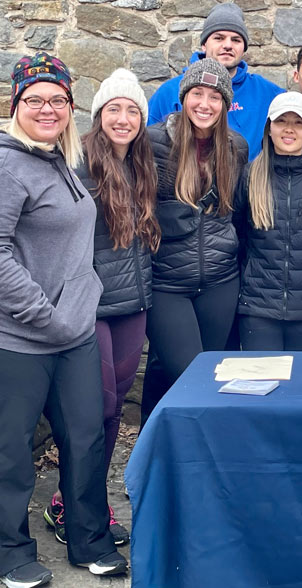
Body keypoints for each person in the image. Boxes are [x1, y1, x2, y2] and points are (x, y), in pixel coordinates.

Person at [0, 52, 128, 588]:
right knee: (11, 450)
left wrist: (83, 296)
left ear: (70, 107)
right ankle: (10, 555)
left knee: (85, 439)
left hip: (74, 332)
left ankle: (89, 541)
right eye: (35, 100)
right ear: (16, 106)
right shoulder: (7, 166)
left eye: (57, 99)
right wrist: (42, 313)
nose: (47, 108)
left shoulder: (63, 162)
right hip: (20, 338)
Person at [42, 69, 158, 548]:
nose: (124, 118)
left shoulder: (145, 163)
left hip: (133, 301)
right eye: (115, 108)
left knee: (112, 413)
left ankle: (79, 501)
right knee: (97, 408)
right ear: (98, 114)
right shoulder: (74, 160)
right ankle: (78, 502)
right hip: (91, 305)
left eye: (133, 110)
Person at [141, 58, 248, 425]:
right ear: (184, 98)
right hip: (168, 281)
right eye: (197, 94)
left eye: (215, 97)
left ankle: (190, 465)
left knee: (208, 373)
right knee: (184, 375)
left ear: (225, 104)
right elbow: (137, 205)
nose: (205, 104)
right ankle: (151, 460)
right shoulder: (153, 142)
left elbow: (234, 211)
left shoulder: (236, 147)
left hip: (220, 280)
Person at [234, 92, 302, 350]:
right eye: (281, 122)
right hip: (258, 310)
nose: (289, 129)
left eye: (299, 123)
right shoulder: (249, 176)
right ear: (269, 129)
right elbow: (238, 238)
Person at [147, 2, 283, 160]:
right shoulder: (169, 92)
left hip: (245, 182)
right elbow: (147, 147)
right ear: (204, 45)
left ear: (244, 48)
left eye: (236, 40)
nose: (227, 45)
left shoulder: (265, 92)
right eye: (219, 38)